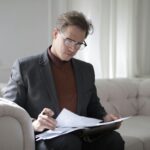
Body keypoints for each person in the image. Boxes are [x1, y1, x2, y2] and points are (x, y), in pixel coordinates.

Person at [3, 10, 124, 150]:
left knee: (114, 139)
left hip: (82, 135)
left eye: (79, 44)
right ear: (55, 34)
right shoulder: (25, 67)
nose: (73, 48)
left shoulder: (86, 70)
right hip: (48, 137)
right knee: (68, 142)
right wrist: (34, 123)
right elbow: (11, 111)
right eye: (69, 41)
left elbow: (94, 107)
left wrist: (105, 118)